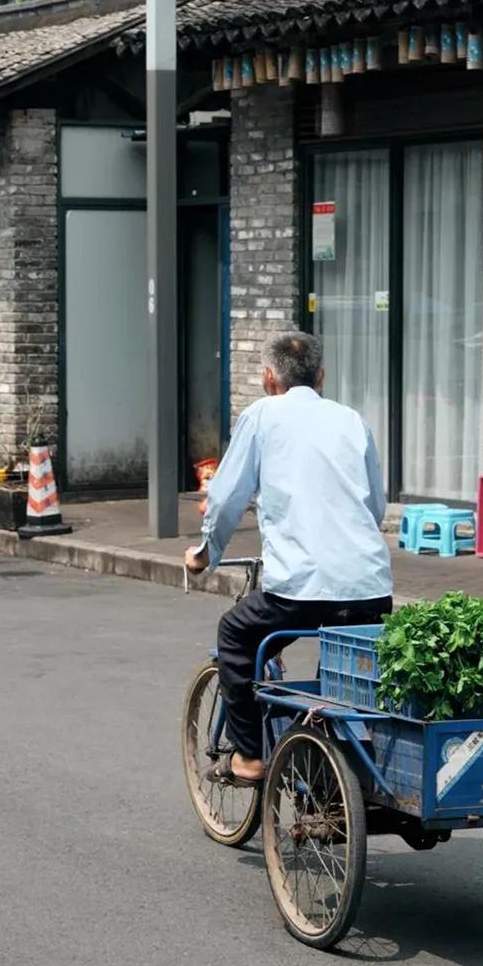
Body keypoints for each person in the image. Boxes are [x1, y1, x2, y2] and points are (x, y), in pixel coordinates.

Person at [185, 331, 393, 786]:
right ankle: (335, 770)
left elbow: (225, 499)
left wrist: (206, 553)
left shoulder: (262, 416)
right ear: (320, 376)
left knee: (236, 636)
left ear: (267, 377)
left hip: (299, 588)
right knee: (342, 681)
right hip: (369, 586)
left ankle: (249, 757)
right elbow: (375, 506)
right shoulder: (352, 420)